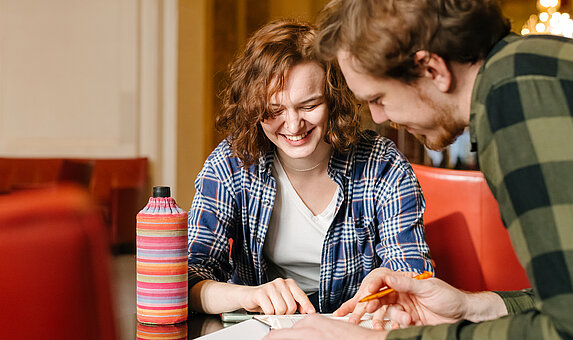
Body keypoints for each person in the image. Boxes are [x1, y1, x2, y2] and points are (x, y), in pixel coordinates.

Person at [265, 0, 573, 339]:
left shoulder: (514, 100)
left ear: (432, 69)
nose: (380, 117)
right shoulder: (532, 65)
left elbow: (563, 328)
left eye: (379, 97)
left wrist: (374, 339)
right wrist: (472, 306)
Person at [187, 18, 433, 316]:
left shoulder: (382, 165)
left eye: (309, 106)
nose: (293, 125)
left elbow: (414, 276)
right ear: (253, 108)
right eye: (274, 110)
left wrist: (390, 289)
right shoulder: (231, 164)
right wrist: (249, 296)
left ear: (333, 99)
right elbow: (188, 280)